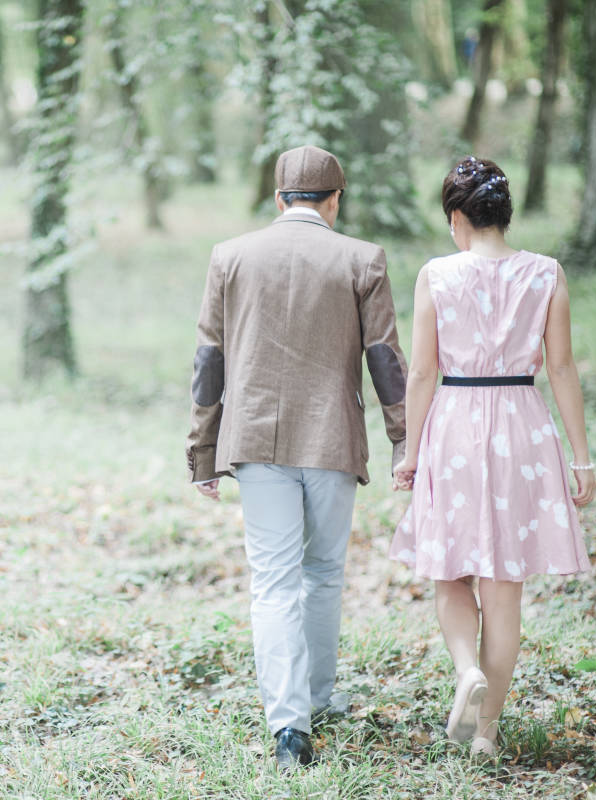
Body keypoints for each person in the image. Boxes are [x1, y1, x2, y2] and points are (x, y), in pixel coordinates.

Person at [186, 144, 408, 770]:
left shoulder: (229, 256)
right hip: (333, 440)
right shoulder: (363, 258)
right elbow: (386, 359)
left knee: (273, 582)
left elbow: (210, 359)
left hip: (255, 441)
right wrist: (404, 442)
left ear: (280, 198)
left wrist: (202, 451)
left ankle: (290, 726)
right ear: (334, 200)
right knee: (324, 574)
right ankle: (319, 699)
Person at [390, 156, 596, 757]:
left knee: (449, 570)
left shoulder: (437, 275)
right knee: (504, 590)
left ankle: (465, 673)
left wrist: (408, 448)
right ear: (504, 214)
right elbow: (560, 367)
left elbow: (424, 370)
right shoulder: (547, 273)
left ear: (458, 217)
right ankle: (487, 733)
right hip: (523, 431)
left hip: (454, 426)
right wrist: (581, 459)